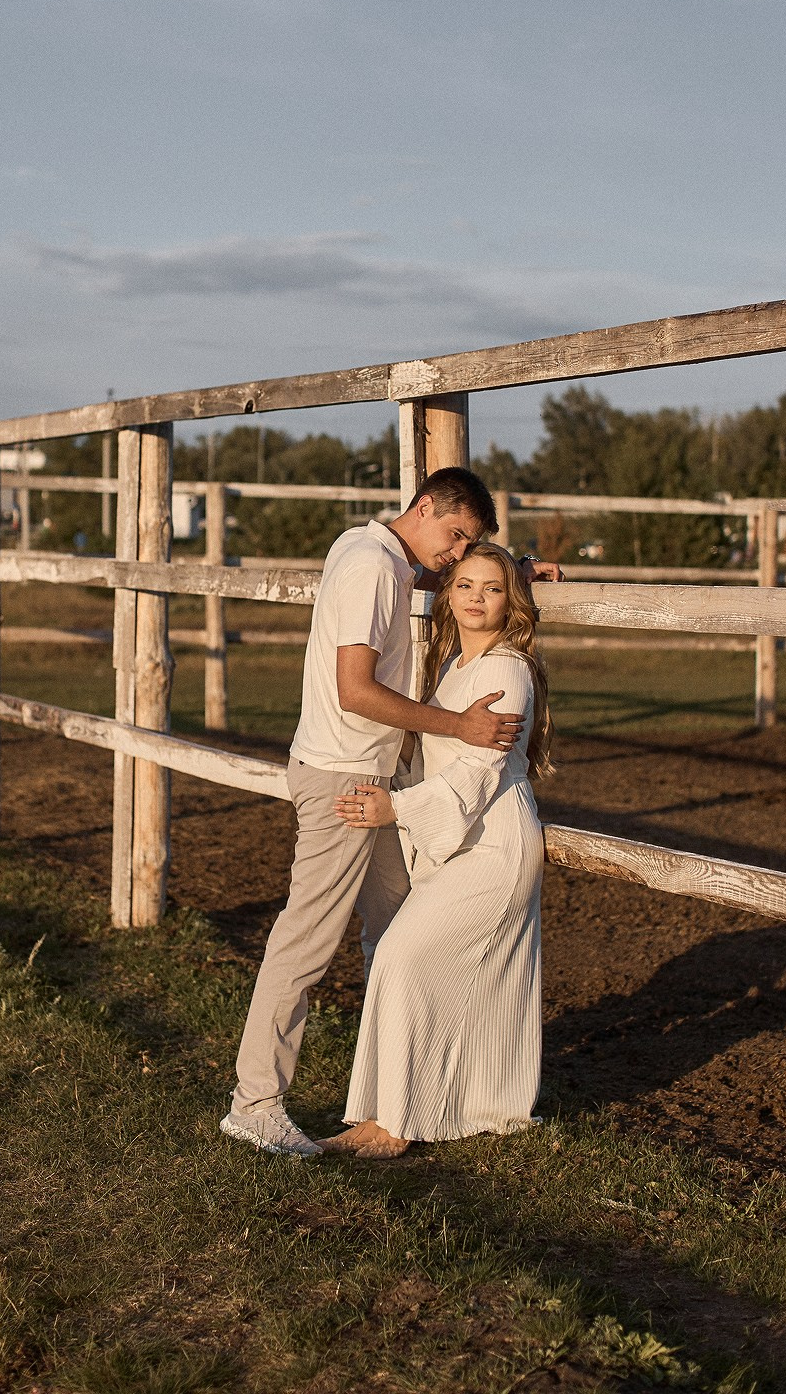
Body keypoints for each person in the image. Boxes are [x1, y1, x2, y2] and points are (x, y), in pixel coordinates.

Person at [219, 468, 561, 1158]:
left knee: (396, 928)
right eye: (455, 534)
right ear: (425, 505)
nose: (456, 553)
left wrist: (509, 572)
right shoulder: (376, 568)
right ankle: (254, 1103)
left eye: (471, 547)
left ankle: (397, 1100)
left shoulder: (369, 550)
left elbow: (448, 581)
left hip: (373, 779)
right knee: (308, 938)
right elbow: (354, 690)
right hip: (347, 778)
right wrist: (453, 726)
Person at [320, 542, 553, 1159]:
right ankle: (398, 1114)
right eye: (466, 585)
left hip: (495, 846)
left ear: (512, 603)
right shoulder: (453, 667)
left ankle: (396, 1125)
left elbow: (478, 773)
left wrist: (395, 809)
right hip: (460, 842)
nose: (477, 598)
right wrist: (393, 790)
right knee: (441, 975)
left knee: (399, 956)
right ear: (448, 593)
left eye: (494, 589)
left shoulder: (506, 670)